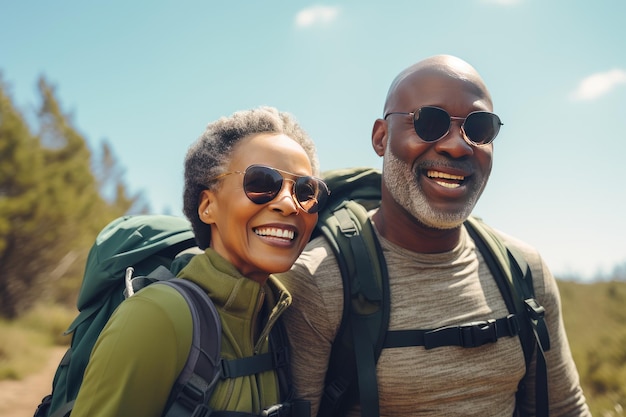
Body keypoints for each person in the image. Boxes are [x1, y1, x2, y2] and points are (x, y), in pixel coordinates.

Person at [278, 55, 591, 416]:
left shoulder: (524, 270)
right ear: (381, 138)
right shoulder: (319, 282)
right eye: (429, 122)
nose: (457, 146)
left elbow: (565, 408)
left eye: (479, 128)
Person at [71, 106, 329, 416]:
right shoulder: (157, 317)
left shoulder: (279, 324)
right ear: (207, 206)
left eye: (305, 191)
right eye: (261, 182)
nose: (289, 204)